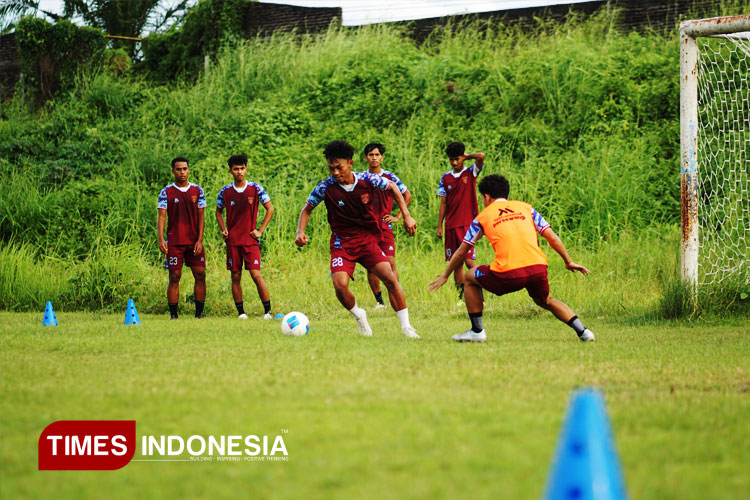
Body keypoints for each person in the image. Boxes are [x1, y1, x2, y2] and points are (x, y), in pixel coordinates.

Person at [429, 174, 595, 343]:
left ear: (486, 197)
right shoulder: (527, 209)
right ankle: (584, 332)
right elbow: (552, 238)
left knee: (470, 277)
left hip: (509, 273)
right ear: (506, 194)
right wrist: (568, 261)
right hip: (537, 268)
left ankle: (477, 331)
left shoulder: (483, 217)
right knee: (545, 300)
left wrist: (446, 274)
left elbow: (462, 250)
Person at [295, 140, 420, 338]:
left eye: (339, 167)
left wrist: (405, 215)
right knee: (340, 285)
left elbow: (394, 188)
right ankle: (359, 315)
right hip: (342, 243)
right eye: (331, 168)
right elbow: (307, 209)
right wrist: (300, 232)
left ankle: (406, 327)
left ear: (350, 164)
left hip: (367, 240)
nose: (335, 172)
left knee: (390, 277)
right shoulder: (325, 187)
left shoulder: (369, 180)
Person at [215, 154, 275, 319]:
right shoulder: (225, 191)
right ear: (230, 171)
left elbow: (270, 209)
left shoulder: (256, 188)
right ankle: (241, 313)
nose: (239, 172)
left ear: (246, 169)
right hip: (233, 241)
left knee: (256, 275)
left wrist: (260, 230)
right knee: (235, 276)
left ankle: (268, 311)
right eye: (236, 169)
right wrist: (223, 229)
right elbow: (218, 211)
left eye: (242, 168)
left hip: (250, 240)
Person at [360, 142, 412, 310]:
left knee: (390, 264)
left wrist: (398, 216)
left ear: (381, 157)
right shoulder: (361, 178)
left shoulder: (389, 177)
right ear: (366, 157)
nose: (374, 158)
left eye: (377, 155)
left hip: (384, 227)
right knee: (371, 266)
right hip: (367, 228)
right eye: (371, 155)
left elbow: (407, 195)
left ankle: (395, 298)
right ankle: (379, 302)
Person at [157, 157, 207, 319]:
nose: (182, 172)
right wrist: (161, 239)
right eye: (178, 169)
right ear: (173, 171)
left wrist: (199, 240)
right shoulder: (166, 192)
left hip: (193, 242)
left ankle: (199, 313)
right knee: (174, 276)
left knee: (200, 274)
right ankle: (173, 315)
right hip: (175, 241)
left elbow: (201, 217)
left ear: (189, 170)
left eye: (184, 169)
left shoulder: (197, 190)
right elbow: (162, 216)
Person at [436, 141, 485, 305]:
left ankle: (480, 296)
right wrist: (440, 226)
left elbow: (481, 156)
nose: (455, 162)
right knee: (455, 263)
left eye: (457, 159)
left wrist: (468, 156)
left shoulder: (471, 173)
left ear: (463, 157)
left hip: (467, 225)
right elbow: (443, 202)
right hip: (450, 225)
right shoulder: (445, 178)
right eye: (451, 159)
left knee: (470, 261)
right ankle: (462, 298)